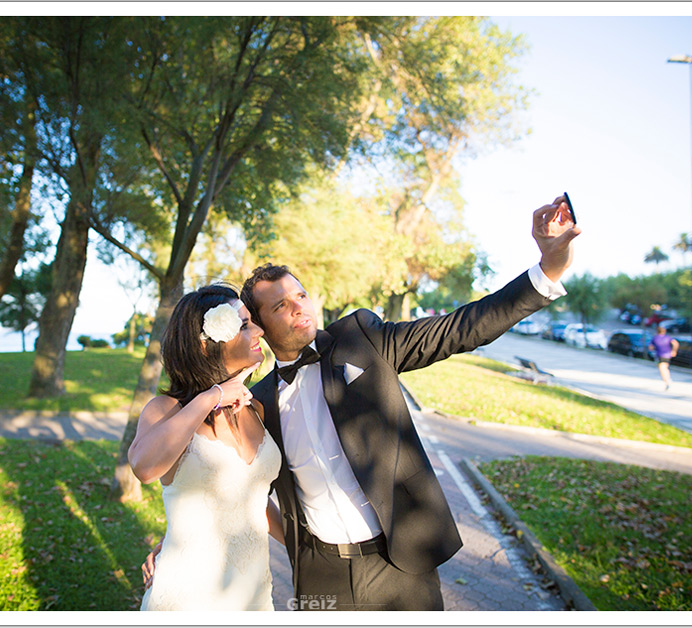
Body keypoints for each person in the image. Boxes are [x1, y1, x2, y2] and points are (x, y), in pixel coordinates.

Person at [237, 196, 580, 610]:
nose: (299, 307)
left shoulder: (362, 338)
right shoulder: (257, 403)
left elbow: (460, 328)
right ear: (259, 324)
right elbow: (226, 483)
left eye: (301, 295)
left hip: (399, 564)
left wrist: (548, 269)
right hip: (318, 573)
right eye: (280, 305)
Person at [130, 284, 285, 611]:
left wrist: (311, 550)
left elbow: (253, 501)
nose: (258, 329)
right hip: (187, 599)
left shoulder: (254, 409)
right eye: (244, 325)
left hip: (255, 596)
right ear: (204, 346)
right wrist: (210, 397)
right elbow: (144, 467)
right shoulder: (167, 409)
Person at [649, 324, 679, 391]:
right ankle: (668, 379)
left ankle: (667, 381)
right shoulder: (667, 337)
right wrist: (674, 351)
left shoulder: (655, 338)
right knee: (665, 367)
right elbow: (675, 343)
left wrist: (655, 348)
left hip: (661, 355)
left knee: (662, 368)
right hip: (668, 355)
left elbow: (650, 347)